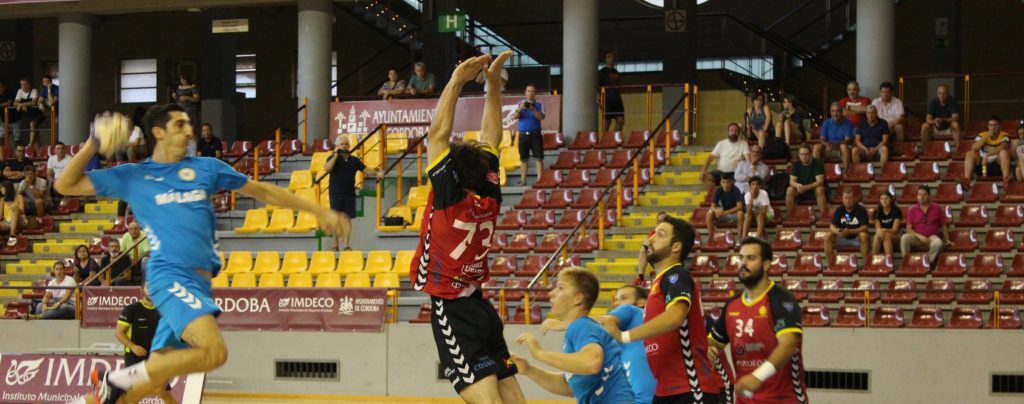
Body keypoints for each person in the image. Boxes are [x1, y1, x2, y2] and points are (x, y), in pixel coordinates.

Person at [59, 104, 346, 404]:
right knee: (213, 352)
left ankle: (92, 398)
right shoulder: (134, 176)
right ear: (158, 132)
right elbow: (64, 184)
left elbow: (263, 191)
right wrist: (93, 143)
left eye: (189, 125)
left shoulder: (206, 168)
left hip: (199, 284)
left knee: (147, 383)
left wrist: (317, 210)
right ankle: (114, 379)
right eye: (180, 125)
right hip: (169, 275)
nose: (189, 131)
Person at [408, 52, 526, 403]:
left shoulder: (447, 197)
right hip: (480, 305)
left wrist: (457, 80)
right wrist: (492, 87)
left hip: (453, 308)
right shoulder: (489, 196)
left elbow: (437, 134)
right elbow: (492, 137)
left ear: (454, 174)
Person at [603, 216, 726, 403]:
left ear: (676, 247)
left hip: (691, 386)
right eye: (653, 233)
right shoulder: (658, 284)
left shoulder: (675, 274)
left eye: (660, 234)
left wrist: (624, 336)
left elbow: (675, 317)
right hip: (665, 389)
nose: (650, 239)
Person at [512, 268, 636, 404]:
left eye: (560, 288)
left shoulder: (581, 326)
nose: (551, 293)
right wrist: (529, 370)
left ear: (578, 299)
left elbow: (591, 363)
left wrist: (539, 353)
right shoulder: (581, 328)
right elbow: (570, 387)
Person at [708, 237, 808, 403]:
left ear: (766, 264)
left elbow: (789, 344)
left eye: (751, 258)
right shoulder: (732, 305)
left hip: (783, 399)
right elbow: (713, 342)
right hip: (746, 400)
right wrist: (709, 349)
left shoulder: (782, 300)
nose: (743, 263)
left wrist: (757, 377)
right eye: (741, 258)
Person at [115, 282, 177, 404]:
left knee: (163, 392)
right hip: (135, 358)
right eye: (148, 286)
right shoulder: (131, 309)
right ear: (142, 290)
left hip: (157, 358)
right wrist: (133, 347)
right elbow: (119, 333)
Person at [323, 135, 382, 251]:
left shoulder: (354, 160)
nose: (344, 146)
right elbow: (327, 169)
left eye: (346, 144)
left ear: (349, 146)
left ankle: (346, 245)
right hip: (335, 193)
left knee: (347, 219)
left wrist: (376, 173)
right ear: (337, 146)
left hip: (349, 193)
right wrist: (335, 154)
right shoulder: (332, 158)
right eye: (341, 144)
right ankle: (335, 245)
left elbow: (366, 169)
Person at [899, 186, 951, 265]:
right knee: (904, 238)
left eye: (924, 195)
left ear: (929, 196)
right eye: (919, 195)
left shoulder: (937, 208)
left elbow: (944, 226)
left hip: (932, 237)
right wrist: (920, 236)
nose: (921, 197)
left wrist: (947, 240)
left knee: (938, 243)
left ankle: (926, 263)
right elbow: (908, 229)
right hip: (916, 237)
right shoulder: (912, 210)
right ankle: (907, 262)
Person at [963, 115, 1011, 186]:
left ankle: (1006, 180)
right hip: (982, 165)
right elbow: (974, 147)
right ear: (988, 126)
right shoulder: (982, 135)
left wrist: (987, 155)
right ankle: (966, 181)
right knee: (970, 153)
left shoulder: (1004, 135)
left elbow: (1002, 147)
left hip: (997, 165)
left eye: (995, 125)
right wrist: (986, 136)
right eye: (990, 125)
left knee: (1004, 153)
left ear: (1000, 126)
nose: (992, 128)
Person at [824, 187, 869, 263]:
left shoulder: (861, 209)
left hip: (856, 238)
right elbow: (832, 226)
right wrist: (837, 231)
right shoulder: (839, 209)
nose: (847, 201)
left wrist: (850, 231)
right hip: (842, 237)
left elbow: (864, 227)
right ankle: (830, 264)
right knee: (828, 235)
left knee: (863, 235)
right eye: (845, 198)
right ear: (842, 199)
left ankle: (865, 264)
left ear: (854, 198)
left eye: (850, 198)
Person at [514, 84, 545, 186]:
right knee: (523, 159)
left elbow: (541, 117)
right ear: (525, 93)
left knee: (538, 158)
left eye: (532, 91)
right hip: (523, 135)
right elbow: (515, 117)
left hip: (535, 134)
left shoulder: (539, 104)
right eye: (528, 91)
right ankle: (523, 180)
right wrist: (520, 109)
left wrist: (533, 109)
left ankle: (540, 180)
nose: (530, 93)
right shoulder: (519, 104)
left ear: (535, 93)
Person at [701, 123, 749, 187]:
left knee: (740, 181)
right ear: (728, 132)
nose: (733, 132)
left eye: (736, 131)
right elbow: (710, 157)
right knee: (704, 177)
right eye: (731, 130)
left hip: (735, 173)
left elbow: (748, 159)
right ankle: (718, 190)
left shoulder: (743, 144)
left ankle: (725, 186)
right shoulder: (721, 143)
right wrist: (703, 170)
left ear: (738, 133)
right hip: (720, 172)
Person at [786, 145, 827, 219]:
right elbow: (791, 181)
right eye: (802, 154)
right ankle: (791, 216)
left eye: (806, 154)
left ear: (810, 154)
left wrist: (806, 187)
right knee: (790, 190)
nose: (804, 157)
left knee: (820, 189)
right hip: (801, 189)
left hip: (813, 189)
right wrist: (797, 185)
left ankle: (824, 216)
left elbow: (820, 181)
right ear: (799, 155)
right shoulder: (796, 164)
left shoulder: (817, 163)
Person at [813, 102, 853, 172]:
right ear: (830, 112)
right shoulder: (826, 123)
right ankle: (816, 173)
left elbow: (847, 140)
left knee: (843, 146)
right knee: (817, 147)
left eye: (837, 111)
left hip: (842, 149)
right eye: (833, 111)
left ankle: (846, 172)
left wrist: (834, 144)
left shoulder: (847, 123)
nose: (835, 114)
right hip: (830, 148)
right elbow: (822, 139)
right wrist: (827, 144)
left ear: (841, 112)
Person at [599, 51, 625, 132]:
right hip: (607, 100)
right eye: (609, 57)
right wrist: (600, 100)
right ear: (605, 59)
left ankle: (614, 139)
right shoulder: (601, 72)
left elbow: (619, 85)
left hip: (617, 100)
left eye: (613, 57)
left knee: (620, 120)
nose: (611, 59)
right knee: (607, 123)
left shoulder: (616, 72)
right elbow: (598, 86)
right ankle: (605, 141)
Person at [13, 78, 42, 147]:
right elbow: (14, 103)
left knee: (33, 126)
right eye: (22, 85)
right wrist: (23, 104)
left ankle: (30, 144)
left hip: (36, 114)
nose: (23, 86)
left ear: (29, 84)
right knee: (33, 134)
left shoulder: (34, 90)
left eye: (25, 84)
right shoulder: (20, 91)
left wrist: (21, 104)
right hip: (26, 115)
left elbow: (33, 102)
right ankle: (36, 152)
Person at [871, 191, 902, 257]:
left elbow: (895, 230)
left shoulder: (896, 210)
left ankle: (889, 264)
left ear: (890, 199)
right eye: (882, 199)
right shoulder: (877, 212)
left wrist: (884, 230)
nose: (884, 201)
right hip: (882, 235)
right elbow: (878, 229)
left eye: (886, 198)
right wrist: (881, 231)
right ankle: (873, 261)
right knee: (877, 236)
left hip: (896, 236)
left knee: (886, 236)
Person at [37, 74, 58, 147]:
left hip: (59, 112)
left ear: (51, 81)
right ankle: (52, 144)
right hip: (50, 112)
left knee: (55, 126)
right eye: (44, 81)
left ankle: (54, 144)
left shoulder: (56, 88)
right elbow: (39, 100)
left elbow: (52, 102)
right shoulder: (43, 89)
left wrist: (49, 90)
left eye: (47, 81)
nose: (45, 83)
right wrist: (40, 104)